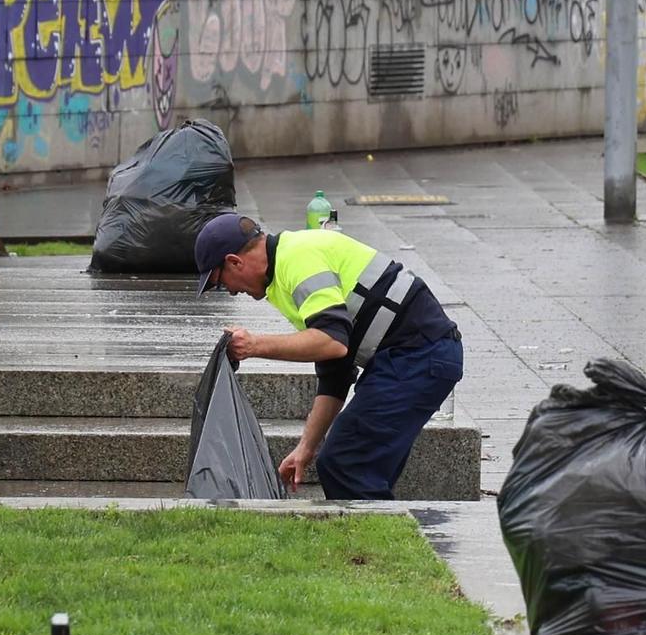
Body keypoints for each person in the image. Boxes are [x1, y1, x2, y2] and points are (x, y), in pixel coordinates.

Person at [195, 212, 462, 499]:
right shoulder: (285, 269)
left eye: (222, 283)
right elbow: (335, 370)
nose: (232, 293)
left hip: (419, 356)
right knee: (355, 465)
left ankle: (371, 540)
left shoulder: (297, 259)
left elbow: (332, 342)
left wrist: (255, 345)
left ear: (235, 261)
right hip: (413, 357)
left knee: (348, 463)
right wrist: (305, 448)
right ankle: (378, 534)